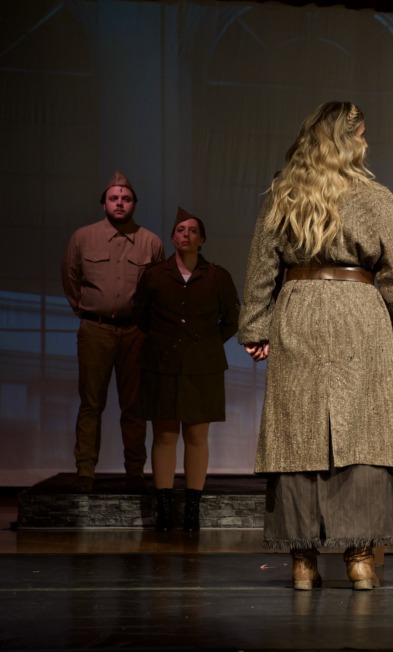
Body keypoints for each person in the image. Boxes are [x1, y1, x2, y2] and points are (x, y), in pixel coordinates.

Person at [239, 101, 393, 591]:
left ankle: (303, 562)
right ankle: (360, 560)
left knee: (297, 432)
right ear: (349, 140)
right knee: (362, 430)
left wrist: (256, 327)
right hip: (357, 314)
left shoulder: (283, 195)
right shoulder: (375, 197)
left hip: (299, 310)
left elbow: (262, 268)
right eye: (362, 134)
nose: (366, 143)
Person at [133, 207, 241, 532]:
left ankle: (192, 509)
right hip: (161, 364)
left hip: (202, 366)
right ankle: (164, 508)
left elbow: (231, 321)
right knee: (164, 434)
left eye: (192, 230)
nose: (185, 235)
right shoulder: (154, 275)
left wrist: (204, 345)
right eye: (180, 230)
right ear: (172, 238)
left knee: (197, 435)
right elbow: (141, 316)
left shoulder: (218, 276)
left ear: (202, 239)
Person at [61, 170, 164, 493]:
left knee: (134, 407)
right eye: (114, 198)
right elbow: (70, 277)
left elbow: (156, 288)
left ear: (134, 203)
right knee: (91, 403)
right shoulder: (83, 237)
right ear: (104, 203)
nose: (120, 203)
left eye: (126, 199)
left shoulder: (151, 242)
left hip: (135, 333)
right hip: (96, 330)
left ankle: (135, 473)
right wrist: (88, 310)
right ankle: (85, 473)